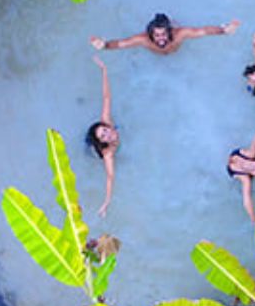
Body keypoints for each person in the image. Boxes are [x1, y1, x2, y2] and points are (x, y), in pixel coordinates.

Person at [91, 13, 240, 55]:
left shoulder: (179, 34)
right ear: (151, 34)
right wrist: (104, 45)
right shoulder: (144, 39)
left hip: (177, 51)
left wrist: (224, 30)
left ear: (169, 32)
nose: (161, 39)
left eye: (163, 34)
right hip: (156, 54)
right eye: (157, 35)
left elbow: (203, 31)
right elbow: (121, 44)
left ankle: (171, 19)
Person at [86, 57, 119, 216]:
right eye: (104, 137)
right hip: (94, 151)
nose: (108, 134)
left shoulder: (107, 122)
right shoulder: (108, 153)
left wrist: (104, 70)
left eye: (105, 131)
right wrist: (106, 202)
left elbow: (106, 97)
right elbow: (110, 177)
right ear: (103, 142)